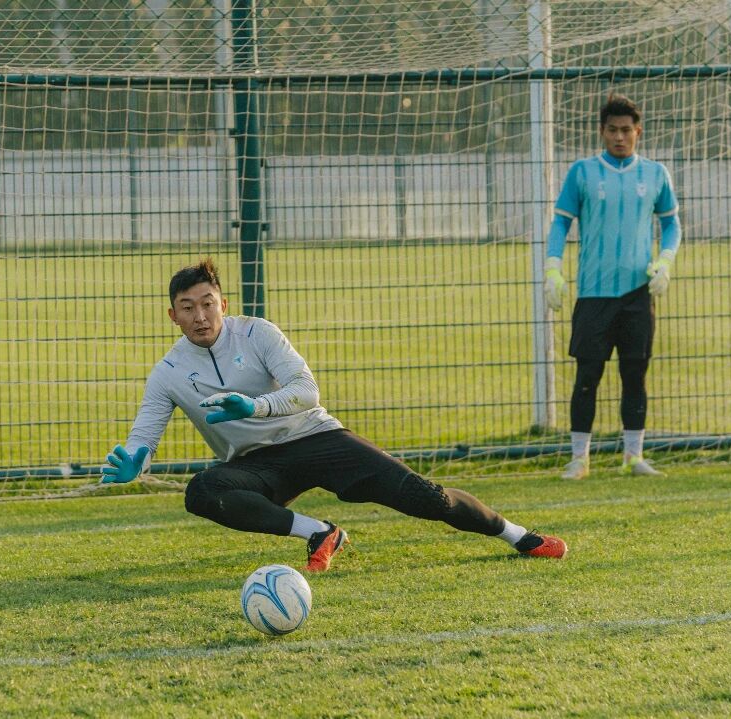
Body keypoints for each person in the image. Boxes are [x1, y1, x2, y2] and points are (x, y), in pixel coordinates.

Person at [101, 259, 567, 572]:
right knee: (203, 492)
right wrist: (136, 461)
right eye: (188, 308)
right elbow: (145, 434)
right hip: (258, 466)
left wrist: (256, 406)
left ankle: (517, 536)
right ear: (173, 316)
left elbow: (307, 391)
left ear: (223, 304)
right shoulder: (168, 372)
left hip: (317, 438)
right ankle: (321, 533)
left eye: (207, 304)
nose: (201, 316)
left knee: (423, 496)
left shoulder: (258, 333)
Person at [543, 93, 682, 480]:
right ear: (601, 132)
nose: (619, 137)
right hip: (593, 293)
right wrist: (553, 267)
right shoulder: (582, 172)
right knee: (587, 376)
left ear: (638, 132)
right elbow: (561, 222)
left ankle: (633, 456)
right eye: (612, 130)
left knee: (635, 374)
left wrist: (665, 260)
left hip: (637, 293)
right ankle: (579, 458)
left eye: (626, 130)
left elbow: (671, 223)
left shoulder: (655, 174)